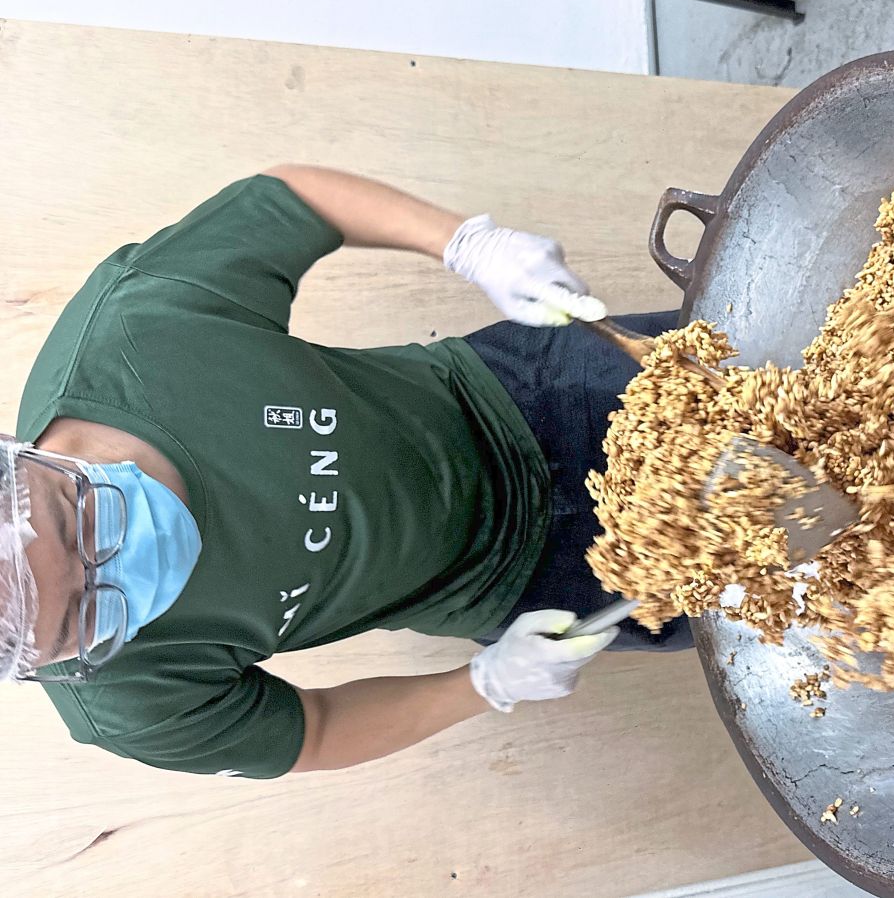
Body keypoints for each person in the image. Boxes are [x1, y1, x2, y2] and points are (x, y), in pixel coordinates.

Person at [1, 164, 690, 778]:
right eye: (87, 615)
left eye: (79, 523)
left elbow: (295, 203)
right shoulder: (130, 705)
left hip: (521, 392)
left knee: (776, 375)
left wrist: (467, 245)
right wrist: (486, 683)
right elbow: (314, 731)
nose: (119, 561)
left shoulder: (138, 330)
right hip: (527, 587)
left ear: (22, 457)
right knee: (777, 577)